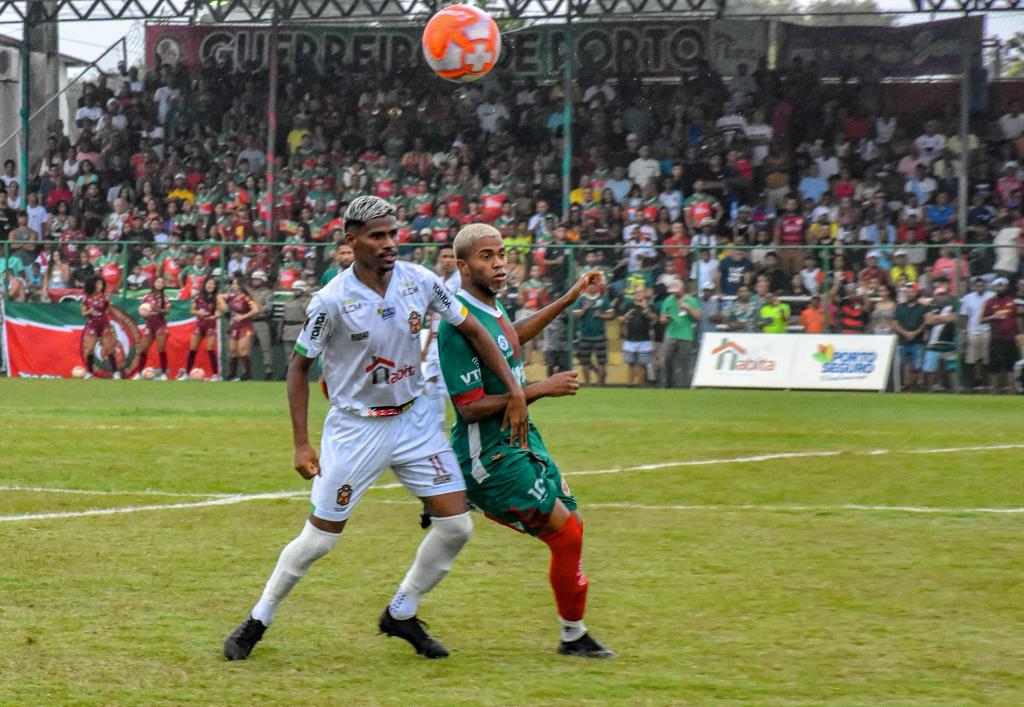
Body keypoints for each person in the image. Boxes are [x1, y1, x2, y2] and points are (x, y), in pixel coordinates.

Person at [222, 197, 528, 662]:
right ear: (352, 242)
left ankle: (402, 611)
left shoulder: (419, 281)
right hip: (356, 429)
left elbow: (475, 332)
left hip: (415, 419)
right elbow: (298, 368)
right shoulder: (331, 301)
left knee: (456, 527)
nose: (389, 244)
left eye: (392, 234)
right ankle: (258, 619)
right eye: (377, 236)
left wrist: (516, 392)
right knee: (319, 540)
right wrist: (302, 443)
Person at [438, 223, 615, 658]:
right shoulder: (456, 322)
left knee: (572, 529)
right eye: (486, 256)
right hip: (490, 455)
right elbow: (468, 408)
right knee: (566, 533)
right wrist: (539, 388)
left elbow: (510, 337)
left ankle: (573, 635)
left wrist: (569, 298)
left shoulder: (490, 311)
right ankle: (573, 637)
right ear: (462, 266)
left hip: (523, 442)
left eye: (501, 254)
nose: (499, 263)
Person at [421, 244, 462, 432]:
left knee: (448, 386)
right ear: (438, 260)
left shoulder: (460, 281)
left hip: (450, 340)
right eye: (444, 256)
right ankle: (437, 428)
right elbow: (433, 318)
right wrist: (426, 346)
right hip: (434, 342)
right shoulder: (436, 280)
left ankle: (464, 422)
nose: (447, 260)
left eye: (450, 256)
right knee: (430, 383)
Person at [982, 277, 1021, 395]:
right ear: (994, 287)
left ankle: (1011, 392)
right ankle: (994, 393)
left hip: (1010, 338)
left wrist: (1019, 333)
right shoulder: (990, 302)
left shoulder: (1012, 301)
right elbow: (982, 319)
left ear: (1006, 287)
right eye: (998, 286)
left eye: (1002, 286)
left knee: (1011, 366)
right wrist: (993, 317)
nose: (1000, 288)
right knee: (994, 366)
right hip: (996, 338)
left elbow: (1018, 318)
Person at [659, 281, 701, 388]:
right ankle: (667, 384)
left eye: (675, 291)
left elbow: (698, 317)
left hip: (686, 335)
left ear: (681, 289)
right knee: (667, 360)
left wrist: (688, 308)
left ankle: (683, 386)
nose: (673, 293)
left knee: (684, 363)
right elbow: (662, 318)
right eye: (672, 291)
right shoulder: (668, 301)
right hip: (671, 334)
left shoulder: (691, 300)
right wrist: (665, 319)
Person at [180, 277, 221, 381]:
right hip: (200, 324)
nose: (210, 286)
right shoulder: (198, 297)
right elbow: (192, 310)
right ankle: (187, 373)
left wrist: (215, 317)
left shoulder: (217, 298)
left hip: (210, 325)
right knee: (193, 349)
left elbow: (221, 311)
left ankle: (215, 375)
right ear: (205, 285)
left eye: (212, 284)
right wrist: (199, 313)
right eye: (208, 283)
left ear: (215, 286)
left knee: (210, 349)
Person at [80, 276, 121, 379]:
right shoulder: (86, 297)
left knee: (109, 349)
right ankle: (90, 373)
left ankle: (116, 372)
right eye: (98, 284)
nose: (100, 286)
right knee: (89, 349)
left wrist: (119, 322)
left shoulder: (105, 297)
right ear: (92, 284)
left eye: (101, 284)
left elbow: (111, 311)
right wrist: (88, 312)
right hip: (92, 325)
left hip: (104, 324)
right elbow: (83, 313)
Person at [224, 275, 262, 381]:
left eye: (235, 283)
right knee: (232, 350)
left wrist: (243, 316)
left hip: (245, 325)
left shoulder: (247, 297)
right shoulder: (233, 297)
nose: (233, 285)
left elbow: (255, 310)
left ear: (240, 285)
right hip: (234, 325)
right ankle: (233, 374)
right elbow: (221, 297)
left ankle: (247, 374)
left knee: (242, 350)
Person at [959, 277, 994, 391]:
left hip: (986, 329)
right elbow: (964, 315)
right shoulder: (968, 298)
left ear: (985, 286)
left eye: (981, 285)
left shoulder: (991, 296)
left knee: (985, 357)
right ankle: (971, 384)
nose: (979, 288)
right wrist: (965, 329)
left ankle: (985, 383)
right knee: (971, 357)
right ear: (974, 287)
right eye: (977, 286)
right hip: (973, 330)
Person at [136, 277, 172, 380]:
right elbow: (143, 315)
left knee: (161, 348)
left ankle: (164, 373)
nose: (160, 284)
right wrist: (145, 314)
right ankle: (139, 373)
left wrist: (155, 309)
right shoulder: (146, 297)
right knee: (143, 349)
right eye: (158, 281)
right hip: (150, 325)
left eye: (162, 282)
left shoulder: (165, 298)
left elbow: (167, 311)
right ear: (154, 283)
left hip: (160, 324)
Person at [620, 288, 657, 387]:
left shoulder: (649, 306)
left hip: (644, 340)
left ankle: (641, 384)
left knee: (642, 364)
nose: (638, 294)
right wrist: (625, 316)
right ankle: (630, 383)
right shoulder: (628, 306)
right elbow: (620, 319)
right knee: (630, 363)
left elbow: (654, 319)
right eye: (636, 292)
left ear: (645, 294)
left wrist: (645, 309)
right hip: (629, 339)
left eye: (640, 292)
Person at [893, 284, 927, 391]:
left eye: (911, 292)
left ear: (916, 293)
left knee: (917, 365)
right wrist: (905, 333)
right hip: (903, 341)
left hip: (918, 340)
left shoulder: (922, 308)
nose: (909, 294)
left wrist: (915, 333)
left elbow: (925, 322)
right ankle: (902, 385)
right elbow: (894, 323)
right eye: (907, 292)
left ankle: (916, 385)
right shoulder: (900, 307)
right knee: (900, 364)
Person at [923, 285, 957, 392]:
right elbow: (928, 321)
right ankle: (931, 388)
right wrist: (944, 319)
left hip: (949, 340)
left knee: (952, 367)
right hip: (933, 341)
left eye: (943, 294)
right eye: (938, 295)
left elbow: (953, 318)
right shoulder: (930, 306)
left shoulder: (953, 305)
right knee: (930, 368)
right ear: (934, 296)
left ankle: (954, 389)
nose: (941, 297)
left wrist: (936, 318)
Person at [247, 270, 275, 380]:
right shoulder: (249, 292)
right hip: (249, 322)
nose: (255, 281)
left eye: (257, 279)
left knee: (266, 347)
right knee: (246, 348)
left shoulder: (268, 292)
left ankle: (269, 371)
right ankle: (247, 371)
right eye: (254, 279)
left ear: (263, 280)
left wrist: (256, 310)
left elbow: (268, 307)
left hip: (262, 322)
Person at [279, 280, 312, 359]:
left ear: (303, 290)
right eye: (294, 290)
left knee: (299, 354)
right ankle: (289, 368)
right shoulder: (289, 301)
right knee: (288, 353)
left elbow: (309, 315)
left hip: (300, 329)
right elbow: (284, 317)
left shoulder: (308, 301)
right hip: (287, 329)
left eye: (297, 290)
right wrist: (280, 331)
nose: (295, 292)